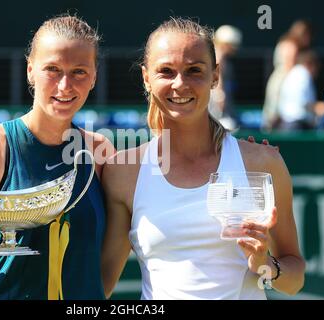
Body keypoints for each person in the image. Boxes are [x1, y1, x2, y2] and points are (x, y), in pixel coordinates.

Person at [101, 17, 305, 299]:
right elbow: (101, 286)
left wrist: (265, 265)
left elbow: (294, 280)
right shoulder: (123, 172)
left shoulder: (262, 163)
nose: (180, 83)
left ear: (215, 76)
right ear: (146, 78)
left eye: (194, 70)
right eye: (166, 71)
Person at [0, 14, 115, 300]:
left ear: (94, 76)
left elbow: (105, 267)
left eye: (79, 72)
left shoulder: (101, 153)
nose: (65, 86)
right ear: (30, 71)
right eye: (52, 69)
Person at [208, 25, 242, 130]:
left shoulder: (215, 54)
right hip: (214, 104)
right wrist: (220, 95)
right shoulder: (219, 55)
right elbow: (218, 78)